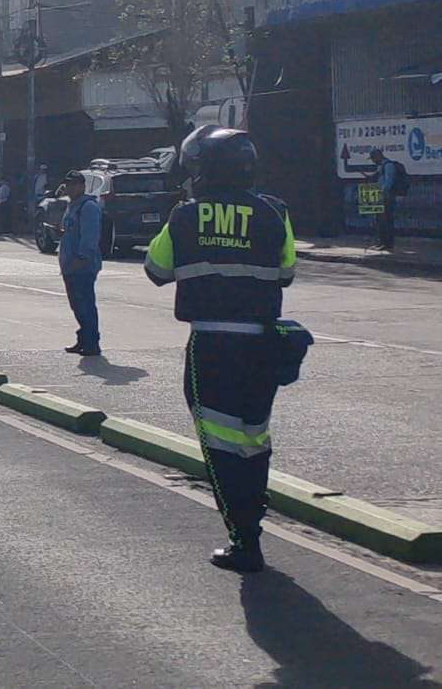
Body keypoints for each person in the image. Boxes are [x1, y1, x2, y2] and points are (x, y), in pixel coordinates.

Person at [144, 125, 297, 574]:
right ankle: (254, 522)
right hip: (264, 346)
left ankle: (244, 540)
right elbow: (286, 272)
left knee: (220, 446)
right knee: (254, 437)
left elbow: (156, 268)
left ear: (205, 170)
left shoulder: (186, 217)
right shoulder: (275, 213)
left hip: (212, 344)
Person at [57, 170, 103, 356]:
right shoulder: (72, 206)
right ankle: (83, 338)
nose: (70, 187)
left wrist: (81, 258)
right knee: (76, 304)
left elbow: (90, 237)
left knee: (85, 304)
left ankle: (92, 342)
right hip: (70, 264)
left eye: (74, 184)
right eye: (68, 184)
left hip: (83, 265)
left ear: (82, 186)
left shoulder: (88, 206)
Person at [368, 148, 400, 251]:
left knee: (386, 220)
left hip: (386, 198)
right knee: (379, 220)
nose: (373, 161)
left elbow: (389, 181)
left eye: (373, 158)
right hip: (380, 197)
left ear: (378, 156)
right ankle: (381, 242)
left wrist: (382, 192)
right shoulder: (381, 166)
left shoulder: (388, 165)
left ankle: (387, 244)